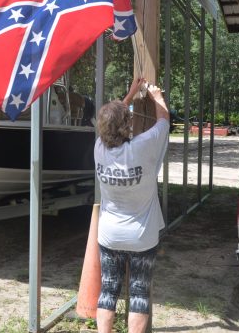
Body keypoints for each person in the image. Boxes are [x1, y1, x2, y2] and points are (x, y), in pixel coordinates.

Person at [94, 78, 169, 333]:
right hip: (141, 237)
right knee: (138, 292)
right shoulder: (143, 147)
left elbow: (111, 123)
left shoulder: (99, 149)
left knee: (108, 289)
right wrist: (156, 97)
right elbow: (163, 121)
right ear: (127, 125)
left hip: (109, 236)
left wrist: (129, 95)